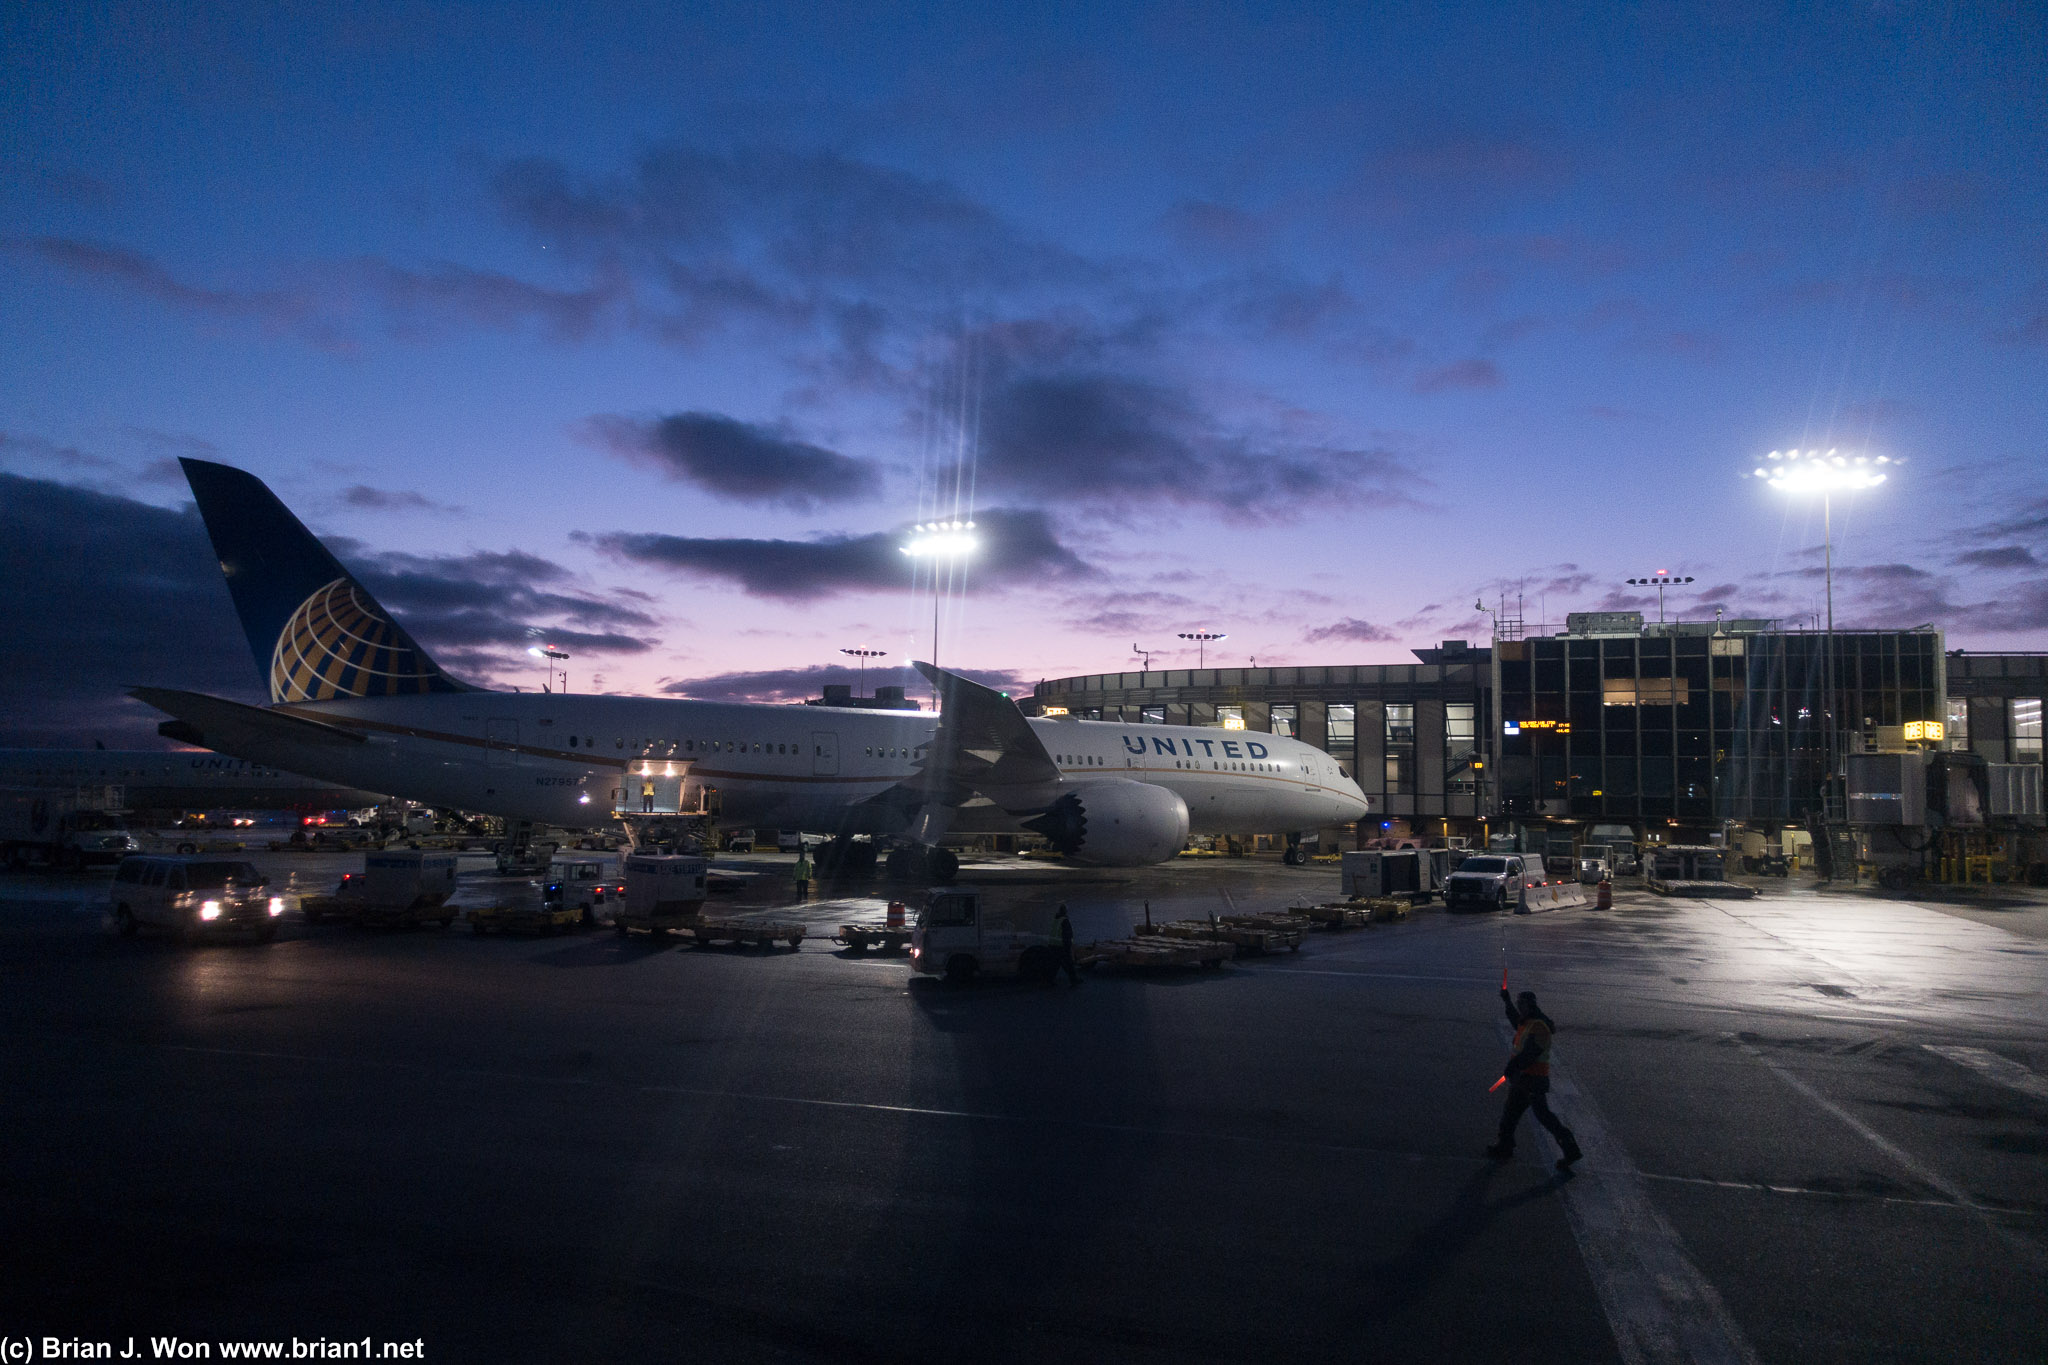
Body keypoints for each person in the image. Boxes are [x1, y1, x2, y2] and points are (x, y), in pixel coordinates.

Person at [1488, 988, 1583, 1172]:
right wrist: (1506, 1002)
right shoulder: (1529, 1022)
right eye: (1518, 1003)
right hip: (1522, 1080)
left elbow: (1530, 1054)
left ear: (1530, 1005)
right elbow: (1517, 1022)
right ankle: (1505, 1145)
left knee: (1544, 1116)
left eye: (1521, 1003)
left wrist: (1512, 1066)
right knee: (1510, 1114)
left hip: (1534, 1080)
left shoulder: (1539, 1027)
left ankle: (1570, 1148)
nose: (1519, 1006)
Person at [1051, 903, 1082, 986]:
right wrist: (1069, 947)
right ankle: (1074, 980)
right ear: (1065, 911)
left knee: (1055, 964)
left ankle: (1049, 981)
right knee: (1069, 963)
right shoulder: (1065, 920)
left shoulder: (1056, 920)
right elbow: (1067, 935)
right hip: (1062, 946)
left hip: (1053, 945)